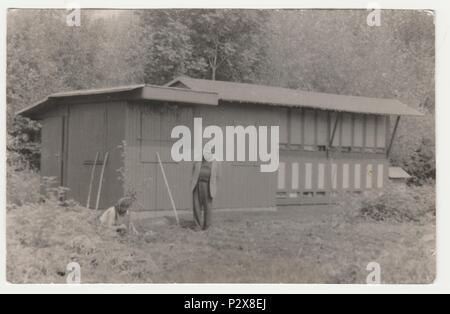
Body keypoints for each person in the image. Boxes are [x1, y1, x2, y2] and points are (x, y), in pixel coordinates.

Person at [191, 151, 221, 230]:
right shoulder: (197, 162)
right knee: (196, 205)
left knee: (208, 206)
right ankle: (197, 225)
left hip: (208, 186)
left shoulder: (216, 164)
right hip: (197, 185)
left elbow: (217, 177)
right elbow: (193, 173)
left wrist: (214, 187)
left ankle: (207, 226)